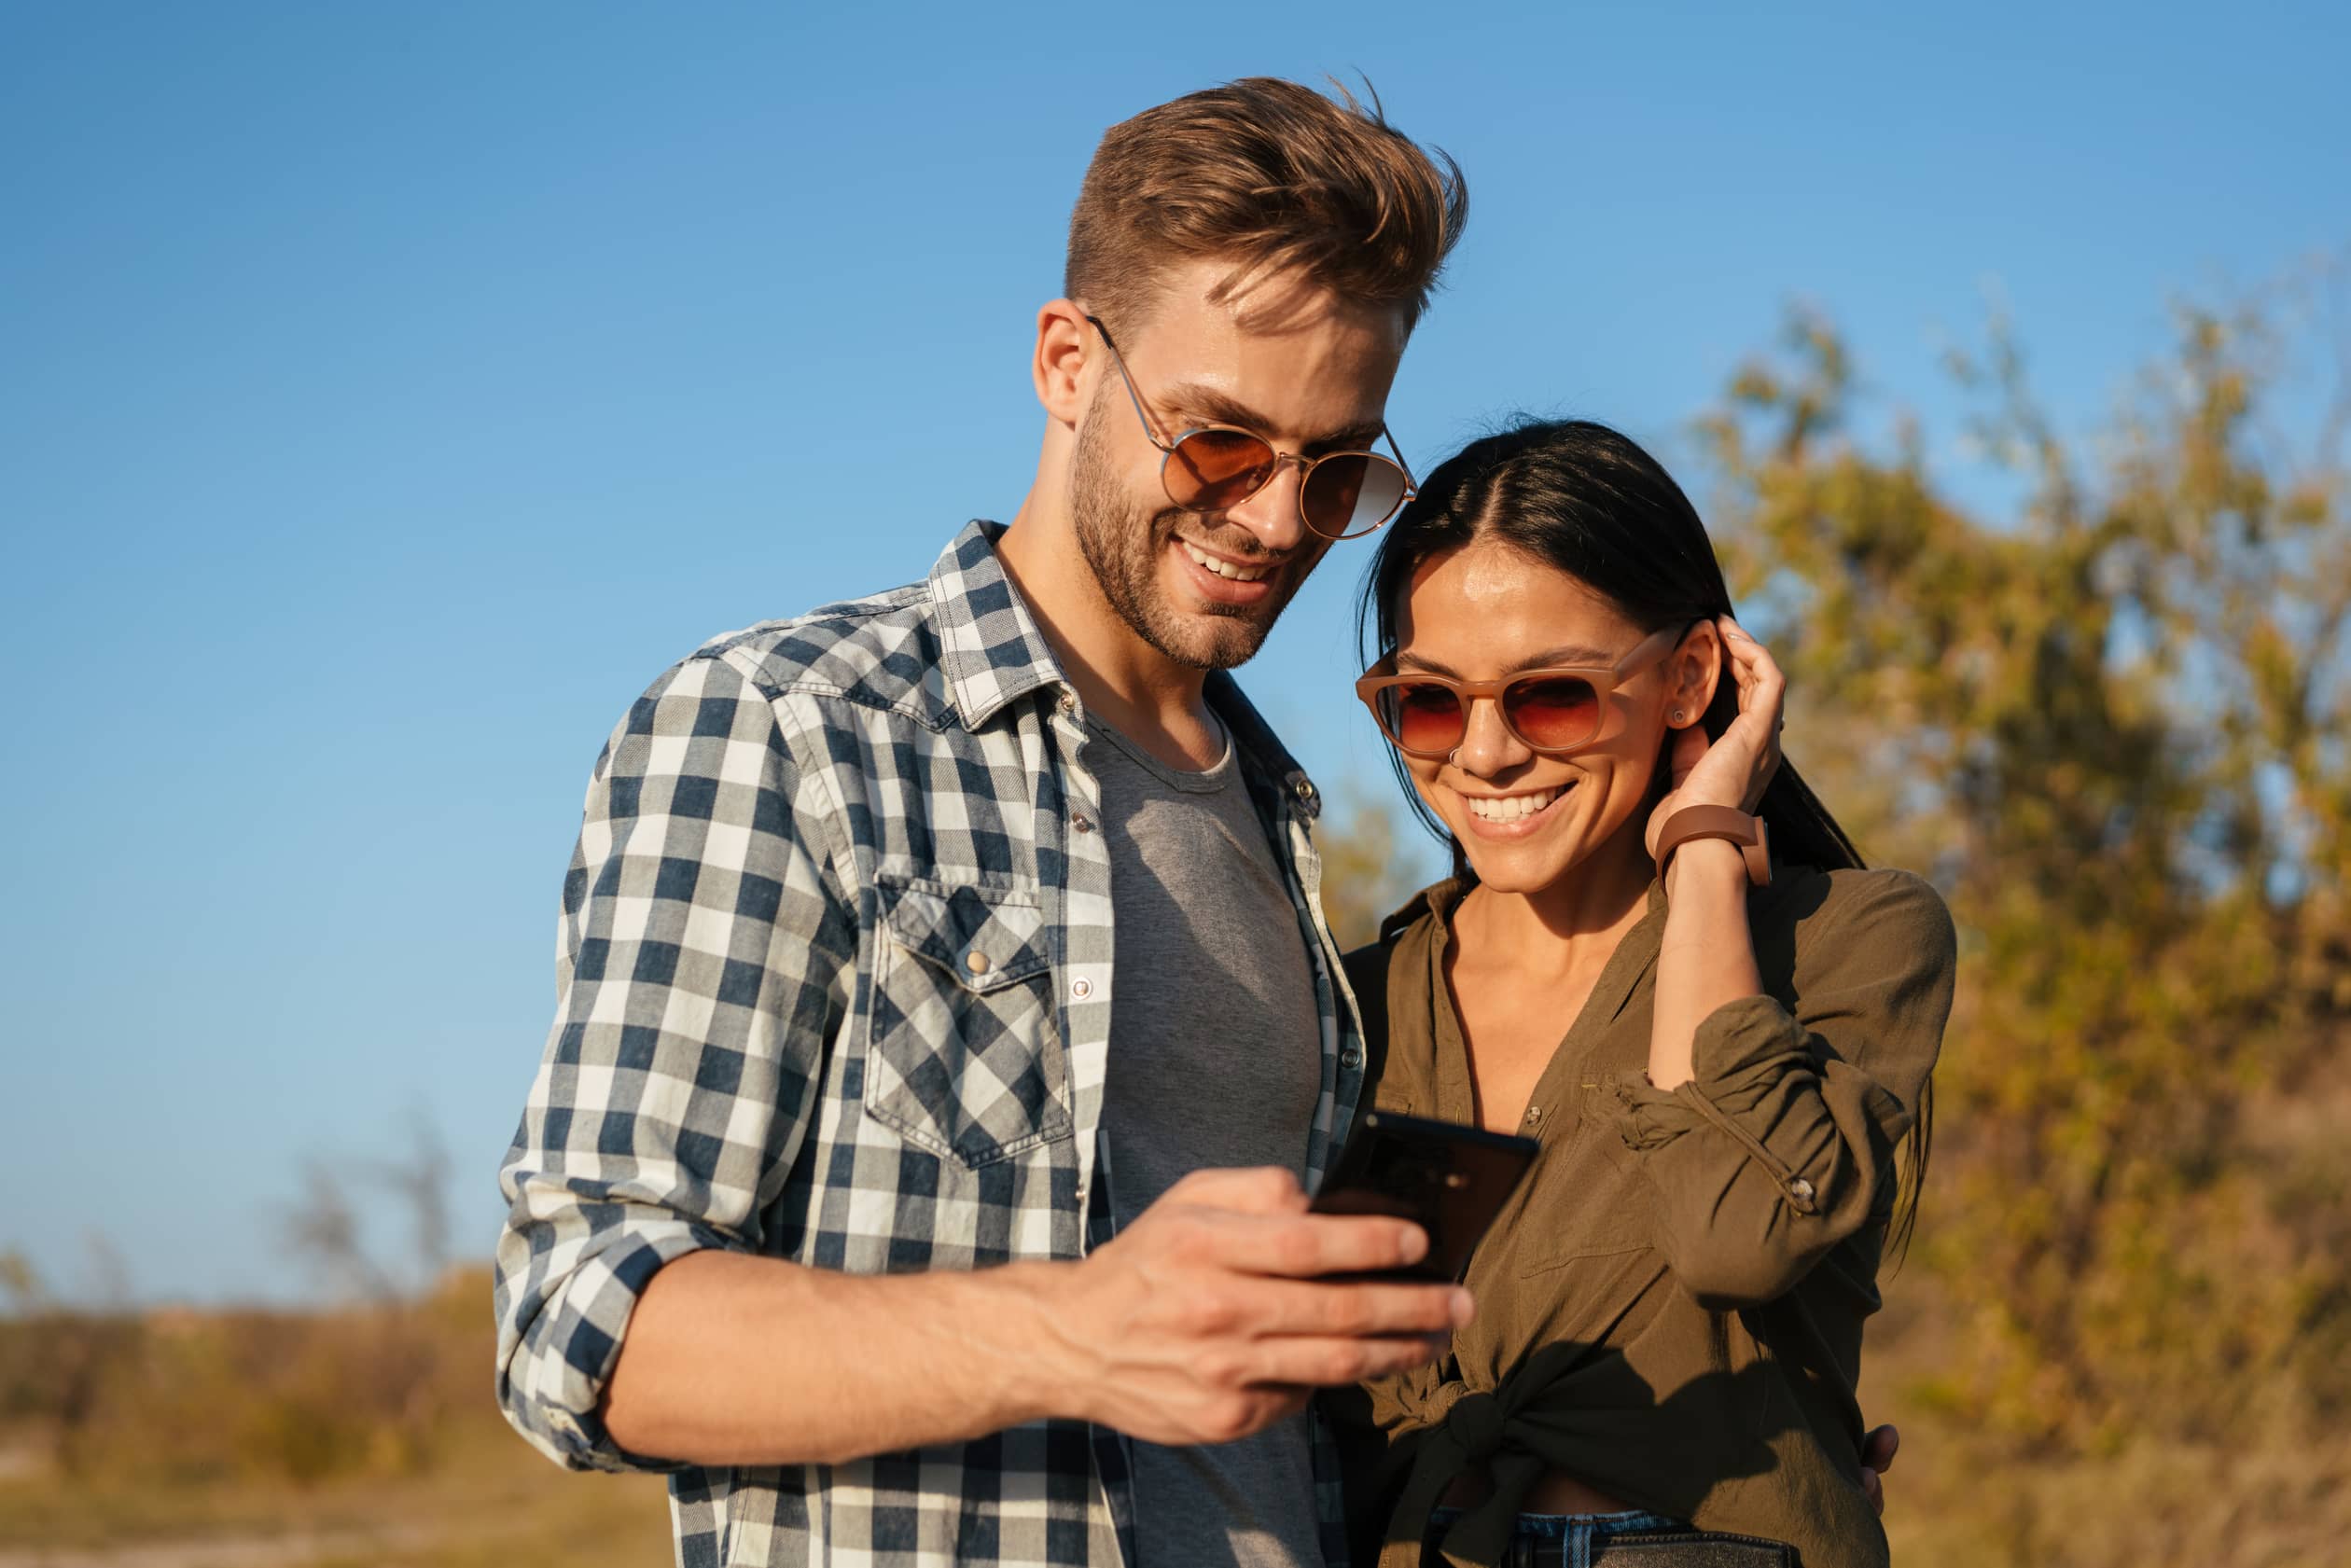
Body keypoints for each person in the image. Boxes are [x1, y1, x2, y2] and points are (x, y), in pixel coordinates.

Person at [494, 78, 1480, 1568]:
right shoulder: (788, 726)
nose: (1279, 520)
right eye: (1219, 441)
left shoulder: (1277, 811)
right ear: (1067, 362)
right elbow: (579, 1317)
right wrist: (1068, 1332)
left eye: (1334, 466)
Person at [1328, 420, 1954, 1568]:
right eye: (1425, 703)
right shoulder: (1349, 1007)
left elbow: (1735, 1235)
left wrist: (1707, 848)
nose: (1484, 754)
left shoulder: (1853, 940)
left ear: (1690, 678)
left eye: (1551, 696)